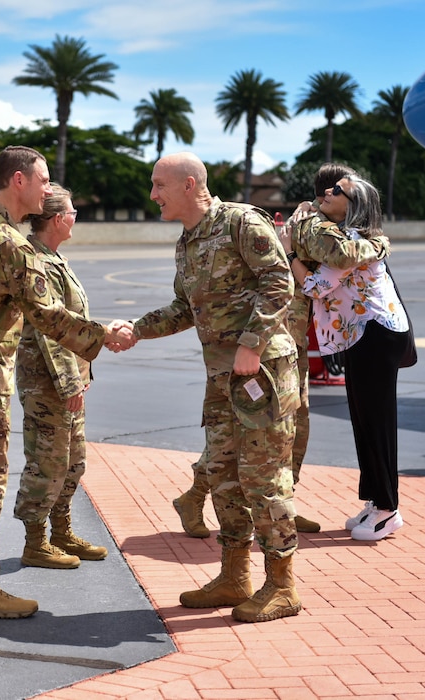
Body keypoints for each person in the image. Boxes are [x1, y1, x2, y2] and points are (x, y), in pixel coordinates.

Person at [0, 145, 131, 619]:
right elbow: (48, 316)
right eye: (43, 179)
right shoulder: (9, 244)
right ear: (19, 181)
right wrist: (102, 336)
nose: (48, 189)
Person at [124, 151, 303, 623]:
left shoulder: (241, 222)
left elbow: (279, 282)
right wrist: (136, 329)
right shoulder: (186, 243)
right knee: (223, 476)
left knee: (264, 479)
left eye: (158, 185)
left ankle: (283, 587)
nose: (152, 195)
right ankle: (234, 576)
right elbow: (185, 308)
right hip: (222, 378)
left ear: (189, 185)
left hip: (261, 372)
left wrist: (251, 343)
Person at [172, 162, 387, 538]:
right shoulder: (311, 224)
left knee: (294, 428)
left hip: (293, 339)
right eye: (344, 192)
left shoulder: (311, 221)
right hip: (275, 340)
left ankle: (283, 502)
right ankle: (196, 495)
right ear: (327, 194)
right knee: (246, 432)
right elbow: (342, 255)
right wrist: (381, 241)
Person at [280, 174, 409, 541]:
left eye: (338, 191)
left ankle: (387, 509)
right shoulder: (351, 238)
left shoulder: (353, 241)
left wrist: (289, 251)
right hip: (360, 337)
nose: (328, 193)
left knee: (377, 423)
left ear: (354, 205)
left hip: (375, 334)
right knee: (365, 420)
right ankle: (375, 500)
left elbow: (315, 285)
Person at [14, 183, 108, 569]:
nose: (74, 219)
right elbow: (48, 328)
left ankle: (62, 531)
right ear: (56, 219)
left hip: (70, 380)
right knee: (46, 461)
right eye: (72, 212)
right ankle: (35, 542)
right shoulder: (36, 261)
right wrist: (69, 383)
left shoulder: (54, 257)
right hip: (47, 382)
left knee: (73, 461)